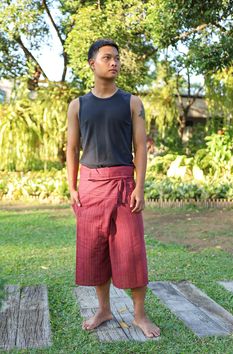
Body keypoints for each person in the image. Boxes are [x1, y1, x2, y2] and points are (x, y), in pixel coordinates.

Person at [66, 39, 160, 338]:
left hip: (124, 186)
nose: (114, 62)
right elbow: (71, 148)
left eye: (117, 58)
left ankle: (140, 315)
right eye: (107, 57)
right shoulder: (77, 105)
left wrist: (140, 187)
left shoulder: (132, 102)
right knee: (95, 252)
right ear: (92, 64)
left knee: (132, 251)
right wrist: (71, 187)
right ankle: (104, 309)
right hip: (90, 186)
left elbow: (141, 149)